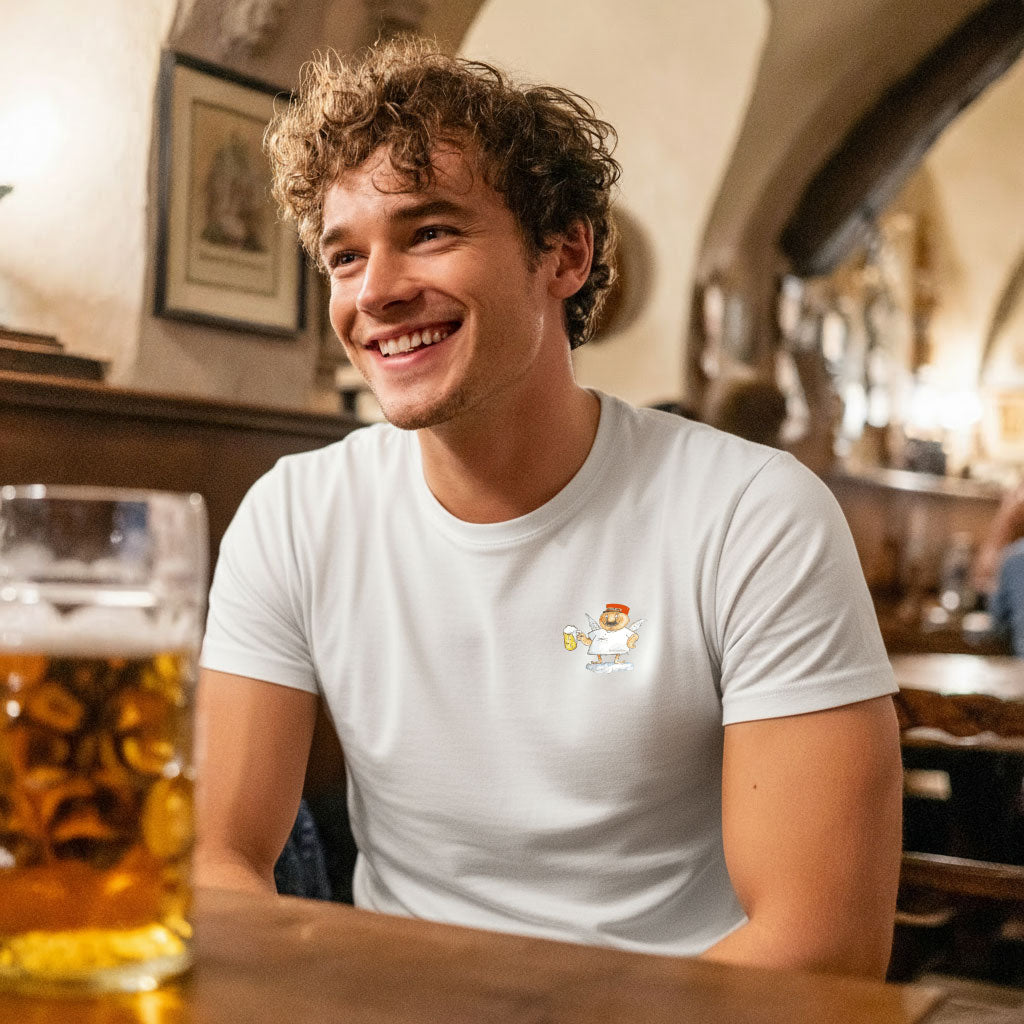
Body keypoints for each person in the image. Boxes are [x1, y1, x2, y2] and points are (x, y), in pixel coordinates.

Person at [197, 37, 903, 978]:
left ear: (565, 253)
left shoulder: (753, 514)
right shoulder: (294, 514)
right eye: (344, 256)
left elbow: (825, 943)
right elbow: (215, 859)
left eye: (431, 231)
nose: (377, 292)